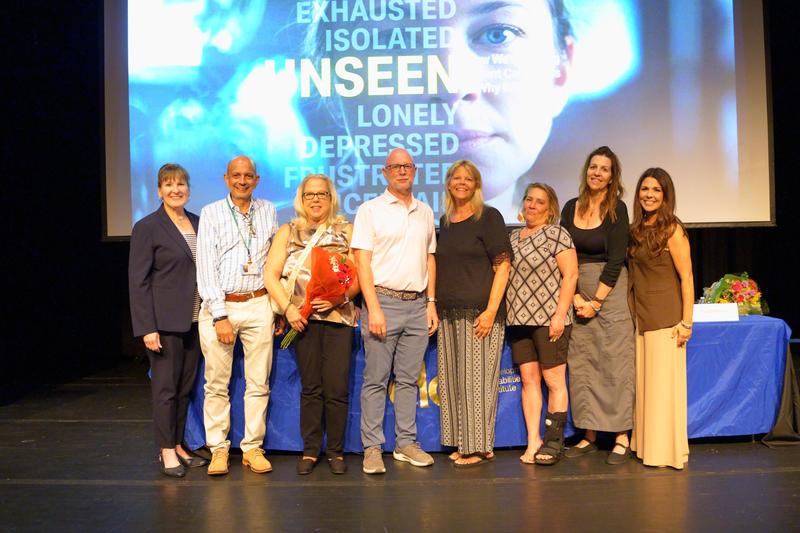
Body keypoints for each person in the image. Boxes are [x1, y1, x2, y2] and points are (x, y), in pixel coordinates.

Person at [301, 0, 574, 219]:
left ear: (561, 72)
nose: (453, 86)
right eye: (397, 39)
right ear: (333, 87)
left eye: (498, 33)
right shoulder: (273, 249)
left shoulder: (578, 253)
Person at [264, 174, 360, 475]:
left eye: (322, 194)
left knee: (337, 387)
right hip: (301, 320)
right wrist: (288, 308)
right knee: (311, 387)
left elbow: (359, 276)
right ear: (301, 199)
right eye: (309, 195)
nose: (316, 199)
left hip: (338, 318)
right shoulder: (287, 232)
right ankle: (309, 450)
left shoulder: (347, 230)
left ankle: (335, 451)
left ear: (331, 198)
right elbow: (270, 275)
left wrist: (340, 297)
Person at [351, 147, 439, 474]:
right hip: (382, 303)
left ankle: (406, 444)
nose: (402, 171)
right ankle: (372, 448)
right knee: (375, 379)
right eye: (395, 167)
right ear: (385, 172)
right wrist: (372, 307)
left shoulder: (425, 211)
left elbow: (430, 258)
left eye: (407, 166)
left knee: (407, 380)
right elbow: (362, 262)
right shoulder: (370, 210)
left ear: (414, 171)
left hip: (417, 305)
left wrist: (431, 303)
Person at [196, 155, 278, 475]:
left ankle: (252, 448)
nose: (242, 181)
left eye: (248, 176)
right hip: (222, 306)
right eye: (236, 176)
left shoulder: (269, 211)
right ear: (226, 178)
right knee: (217, 383)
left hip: (258, 303)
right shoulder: (212, 213)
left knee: (258, 382)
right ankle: (218, 448)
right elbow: (205, 268)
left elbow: (274, 261)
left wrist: (276, 305)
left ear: (256, 180)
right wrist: (219, 315)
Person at [129, 163, 209, 477]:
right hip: (163, 323)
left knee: (184, 387)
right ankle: (165, 450)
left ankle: (177, 443)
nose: (176, 190)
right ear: (160, 190)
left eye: (181, 184)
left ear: (188, 188)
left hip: (195, 320)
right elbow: (138, 281)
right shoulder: (147, 227)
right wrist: (147, 327)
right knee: (165, 389)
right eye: (169, 185)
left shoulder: (198, 223)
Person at [435, 160, 513, 467]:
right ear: (449, 183)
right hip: (450, 313)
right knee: (454, 383)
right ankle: (464, 443)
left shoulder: (489, 217)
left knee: (476, 384)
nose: (462, 182)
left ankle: (478, 447)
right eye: (456, 178)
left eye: (469, 178)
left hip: (480, 313)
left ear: (477, 185)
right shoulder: (447, 220)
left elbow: (503, 265)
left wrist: (491, 310)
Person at [560, 146, 635, 465]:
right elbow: (563, 253)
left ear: (612, 176)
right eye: (593, 166)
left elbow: (616, 260)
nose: (597, 173)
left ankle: (621, 436)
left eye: (604, 169)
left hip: (610, 292)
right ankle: (589, 434)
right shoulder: (568, 207)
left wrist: (597, 302)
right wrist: (575, 295)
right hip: (575, 290)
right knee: (583, 363)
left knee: (615, 362)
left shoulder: (617, 209)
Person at [506, 183, 578, 466]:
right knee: (529, 381)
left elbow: (570, 275)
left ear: (550, 209)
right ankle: (533, 440)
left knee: (554, 381)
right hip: (518, 321)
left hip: (549, 320)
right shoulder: (513, 237)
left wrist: (560, 315)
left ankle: (553, 442)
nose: (532, 205)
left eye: (539, 202)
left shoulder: (557, 234)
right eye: (529, 200)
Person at [628, 168, 693, 469]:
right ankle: (646, 447)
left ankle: (666, 452)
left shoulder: (672, 229)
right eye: (644, 189)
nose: (649, 195)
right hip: (642, 318)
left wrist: (686, 322)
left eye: (656, 190)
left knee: (663, 390)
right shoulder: (637, 229)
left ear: (665, 195)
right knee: (647, 388)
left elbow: (687, 277)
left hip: (666, 320)